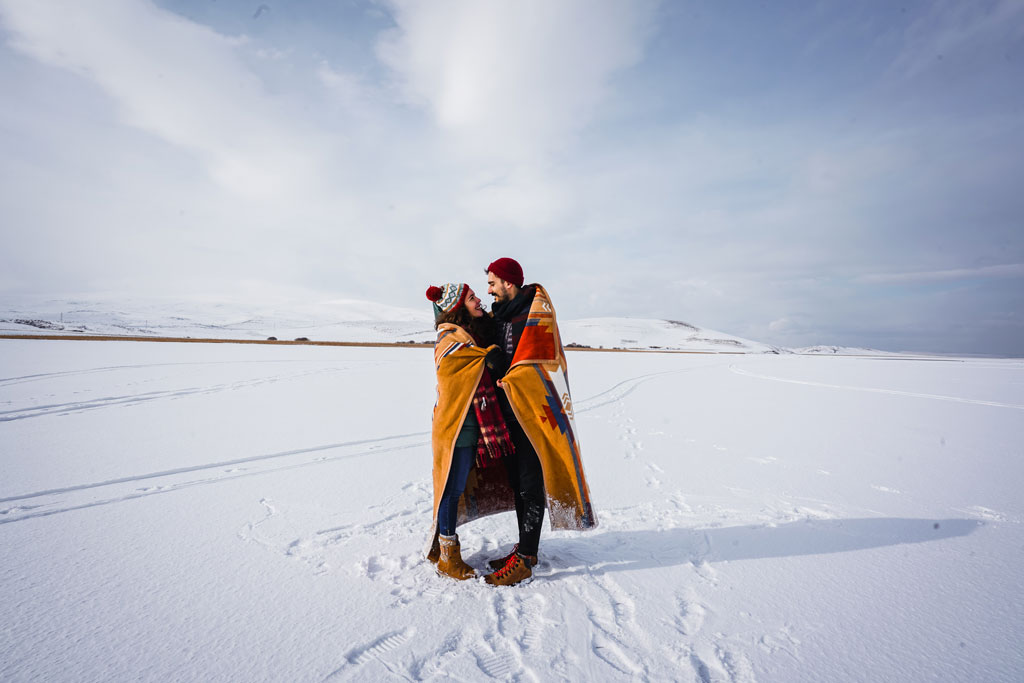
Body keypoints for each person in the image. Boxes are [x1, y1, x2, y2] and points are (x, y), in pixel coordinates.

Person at [483, 258, 598, 586]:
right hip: (509, 411)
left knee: (531, 483)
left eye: (492, 283)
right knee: (519, 483)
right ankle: (526, 549)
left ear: (509, 282)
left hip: (534, 413)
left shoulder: (536, 314)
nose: (488, 290)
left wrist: (501, 364)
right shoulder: (500, 315)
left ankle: (525, 561)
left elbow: (541, 363)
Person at [425, 282, 515, 580]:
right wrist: (484, 357)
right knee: (452, 491)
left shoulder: (470, 336)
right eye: (472, 298)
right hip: (456, 427)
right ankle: (449, 557)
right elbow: (456, 368)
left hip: (469, 423)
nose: (479, 300)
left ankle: (449, 550)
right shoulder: (449, 338)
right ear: (457, 306)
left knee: (457, 488)